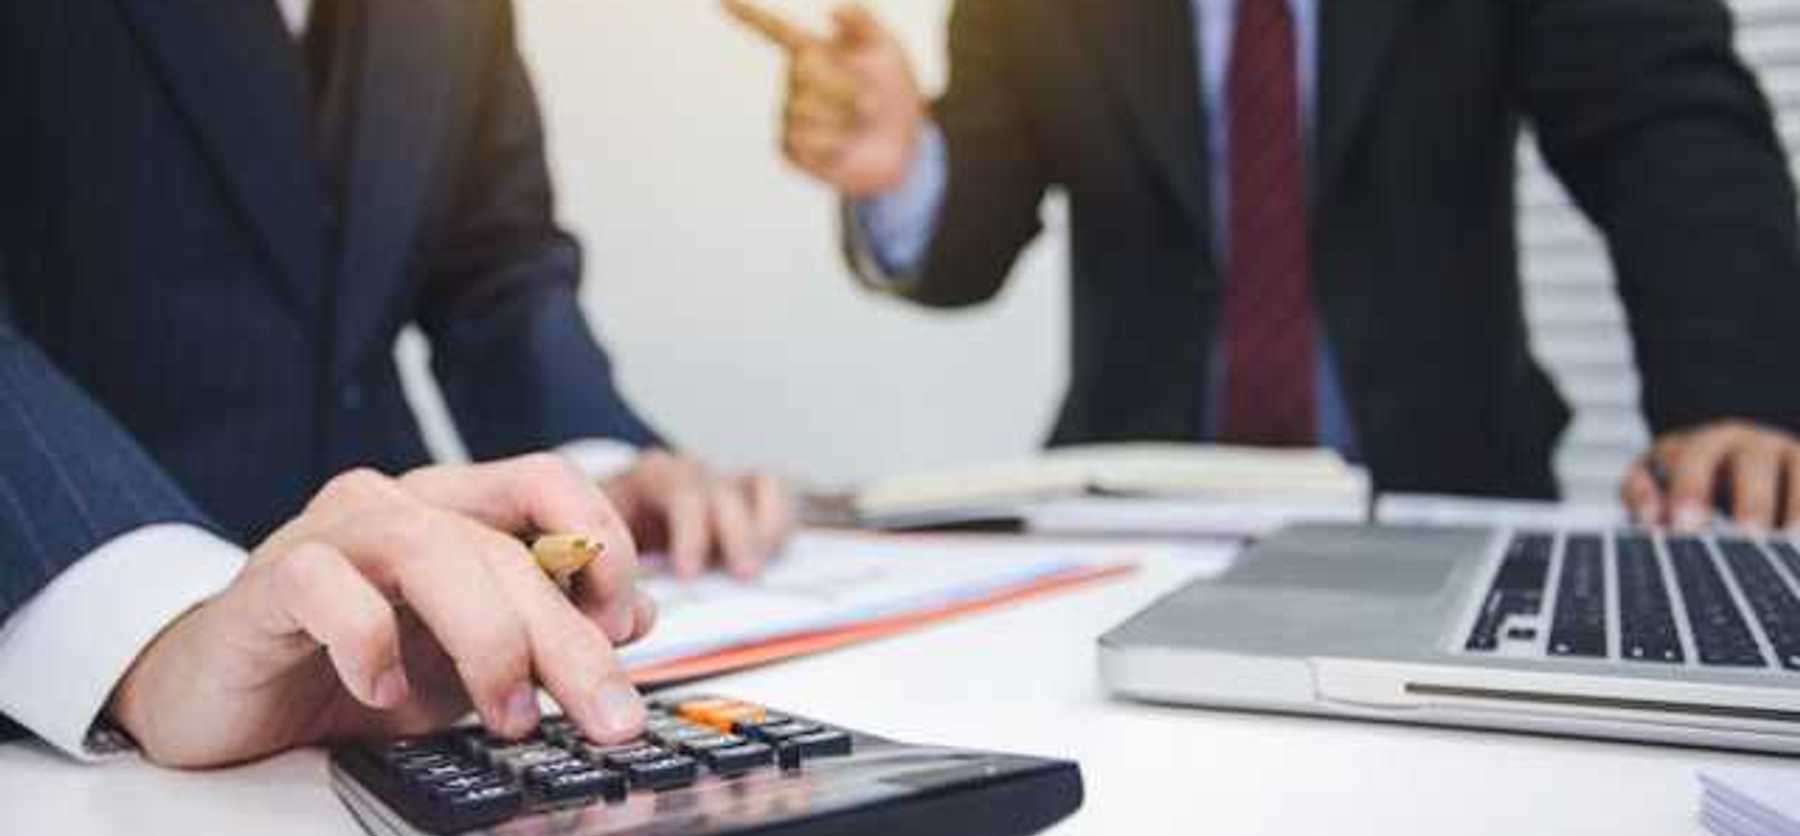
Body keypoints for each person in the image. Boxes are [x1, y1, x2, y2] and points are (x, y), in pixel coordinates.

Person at [0, 0, 793, 766]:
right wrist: (147, 626)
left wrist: (597, 475)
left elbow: (492, 260)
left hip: (416, 682)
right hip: (71, 700)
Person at [725, 0, 1800, 528]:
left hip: (1444, 496)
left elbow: (1664, 123)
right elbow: (972, 237)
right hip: (1128, 523)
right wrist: (904, 168)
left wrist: (1734, 402)